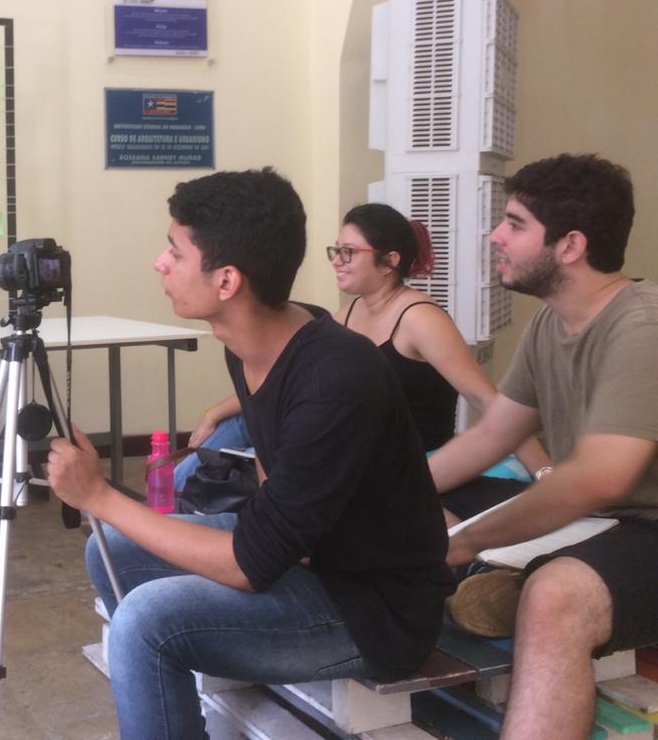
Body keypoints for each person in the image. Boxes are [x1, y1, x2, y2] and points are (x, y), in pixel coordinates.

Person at [46, 169, 453, 740]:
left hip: (372, 610)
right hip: (311, 559)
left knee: (144, 622)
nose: (160, 264)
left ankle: (175, 663)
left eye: (175, 252)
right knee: (111, 550)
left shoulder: (336, 378)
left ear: (227, 280)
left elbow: (246, 565)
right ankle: (178, 692)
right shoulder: (250, 340)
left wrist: (97, 495)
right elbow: (270, 472)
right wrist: (278, 540)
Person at [430, 154, 658, 740]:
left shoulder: (643, 326)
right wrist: (378, 496)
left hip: (646, 526)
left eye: (514, 224)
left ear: (570, 245)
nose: (495, 236)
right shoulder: (550, 324)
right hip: (609, 521)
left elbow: (599, 478)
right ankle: (501, 580)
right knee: (425, 506)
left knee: (555, 595)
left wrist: (466, 541)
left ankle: (519, 582)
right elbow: (491, 436)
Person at [175, 201, 553, 493]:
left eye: (350, 253)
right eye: (336, 251)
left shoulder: (419, 318)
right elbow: (281, 377)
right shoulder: (348, 314)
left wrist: (545, 473)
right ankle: (176, 493)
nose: (337, 262)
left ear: (389, 262)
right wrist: (213, 413)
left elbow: (488, 399)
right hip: (357, 450)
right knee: (236, 426)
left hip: (411, 461)